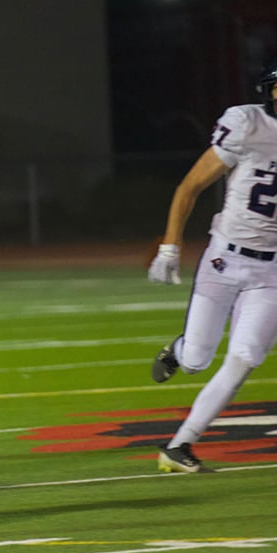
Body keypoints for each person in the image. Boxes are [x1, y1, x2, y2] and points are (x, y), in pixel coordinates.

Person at [148, 55, 277, 473]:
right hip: (226, 257)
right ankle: (180, 349)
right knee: (196, 361)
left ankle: (180, 446)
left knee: (243, 359)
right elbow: (190, 186)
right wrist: (169, 246)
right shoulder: (247, 124)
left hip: (273, 271)